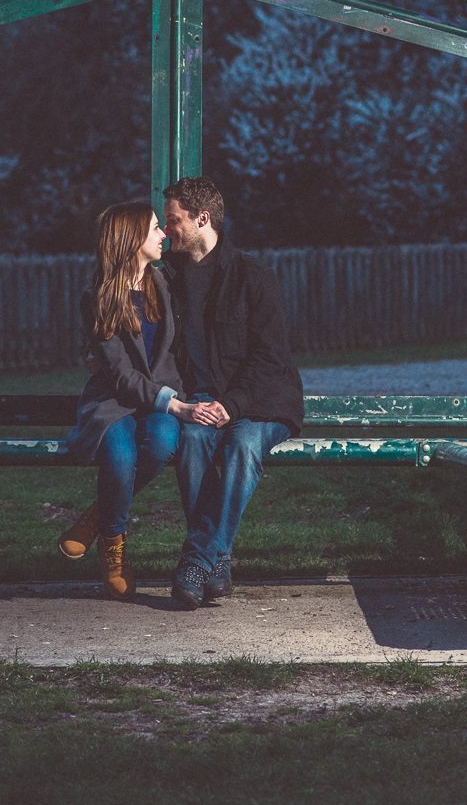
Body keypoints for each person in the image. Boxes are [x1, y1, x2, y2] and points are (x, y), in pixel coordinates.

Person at [57, 200, 227, 598]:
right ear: (132, 239)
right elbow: (118, 375)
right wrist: (176, 404)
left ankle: (97, 518)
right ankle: (114, 548)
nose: (163, 234)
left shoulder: (166, 281)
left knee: (165, 442)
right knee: (119, 457)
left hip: (161, 401)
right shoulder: (98, 296)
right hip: (116, 400)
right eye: (155, 228)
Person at [160, 176, 305, 609]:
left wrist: (232, 405)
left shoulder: (252, 276)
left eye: (174, 221)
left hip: (260, 403)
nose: (167, 231)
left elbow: (270, 358)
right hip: (203, 399)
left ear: (202, 218)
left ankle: (197, 558)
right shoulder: (169, 279)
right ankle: (217, 561)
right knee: (191, 442)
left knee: (242, 445)